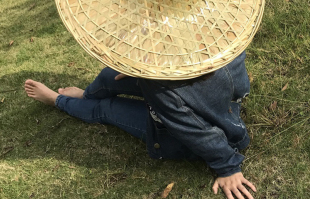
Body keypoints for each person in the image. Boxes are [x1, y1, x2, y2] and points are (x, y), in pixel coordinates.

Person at [25, 51, 256, 199]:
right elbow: (240, 85)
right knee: (109, 77)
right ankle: (86, 95)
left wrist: (227, 166)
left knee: (108, 108)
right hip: (178, 81)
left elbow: (196, 130)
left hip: (176, 130)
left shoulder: (164, 91)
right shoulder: (225, 42)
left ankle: (57, 100)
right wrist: (142, 69)